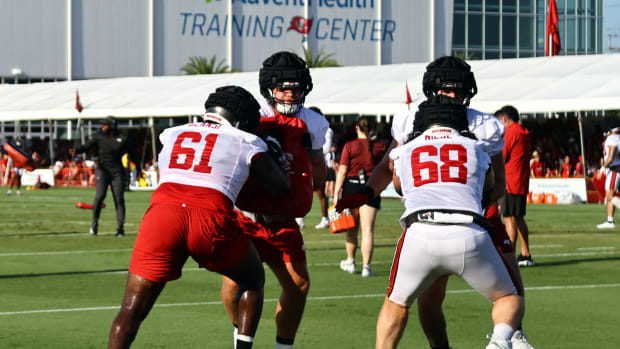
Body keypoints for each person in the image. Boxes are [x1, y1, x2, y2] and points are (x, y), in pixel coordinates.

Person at [337, 56, 533, 348]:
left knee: (511, 281)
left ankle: (514, 333)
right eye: (447, 90)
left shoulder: (473, 122)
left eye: (458, 90)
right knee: (434, 301)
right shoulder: (471, 125)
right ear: (433, 90)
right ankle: (498, 338)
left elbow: (394, 172)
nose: (453, 96)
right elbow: (497, 183)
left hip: (445, 220)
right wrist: (368, 193)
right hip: (467, 222)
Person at [108, 86, 291, 349]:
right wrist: (275, 153)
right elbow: (281, 186)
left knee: (130, 310)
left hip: (162, 214)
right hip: (209, 214)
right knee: (252, 279)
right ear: (241, 121)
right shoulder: (244, 139)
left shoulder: (172, 133)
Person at [375, 95, 524, 349]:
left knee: (396, 303)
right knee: (510, 298)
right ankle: (499, 341)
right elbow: (489, 188)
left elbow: (399, 187)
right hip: (468, 229)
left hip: (419, 231)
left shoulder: (403, 150)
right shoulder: (476, 146)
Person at [223, 51, 328, 349]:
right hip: (247, 215)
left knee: (299, 285)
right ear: (269, 88)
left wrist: (301, 163)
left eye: (296, 88)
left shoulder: (313, 123)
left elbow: (320, 177)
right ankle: (239, 332)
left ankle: (284, 346)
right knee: (234, 283)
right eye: (284, 88)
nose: (290, 93)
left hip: (283, 219)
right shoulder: (250, 114)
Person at [72, 116, 141, 237]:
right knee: (100, 196)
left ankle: (120, 229)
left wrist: (139, 169)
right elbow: (86, 146)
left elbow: (134, 154)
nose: (102, 126)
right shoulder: (99, 136)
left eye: (105, 124)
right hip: (102, 170)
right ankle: (94, 224)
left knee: (119, 199)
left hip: (117, 172)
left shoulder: (123, 138)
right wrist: (76, 150)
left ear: (112, 125)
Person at [333, 116, 380, 277]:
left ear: (356, 128)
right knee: (368, 230)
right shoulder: (378, 146)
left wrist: (335, 192)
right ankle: (367, 267)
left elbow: (342, 171)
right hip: (371, 187)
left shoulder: (350, 145)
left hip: (351, 187)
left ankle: (351, 261)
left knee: (351, 229)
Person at [495, 105, 535, 267]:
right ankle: (525, 254)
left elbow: (502, 156)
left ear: (504, 119)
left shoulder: (510, 133)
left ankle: (509, 255)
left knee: (509, 218)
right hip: (520, 180)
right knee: (518, 218)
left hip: (509, 181)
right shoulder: (523, 132)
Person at [311, 106, 333, 229]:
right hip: (310, 161)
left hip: (320, 162)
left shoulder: (327, 129)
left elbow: (326, 148)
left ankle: (325, 218)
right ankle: (299, 218)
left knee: (321, 192)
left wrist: (312, 148)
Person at [595, 127, 620, 229]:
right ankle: (610, 220)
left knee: (609, 196)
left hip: (615, 169)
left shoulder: (612, 139)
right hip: (615, 168)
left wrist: (602, 169)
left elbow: (610, 157)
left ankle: (610, 220)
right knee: (611, 195)